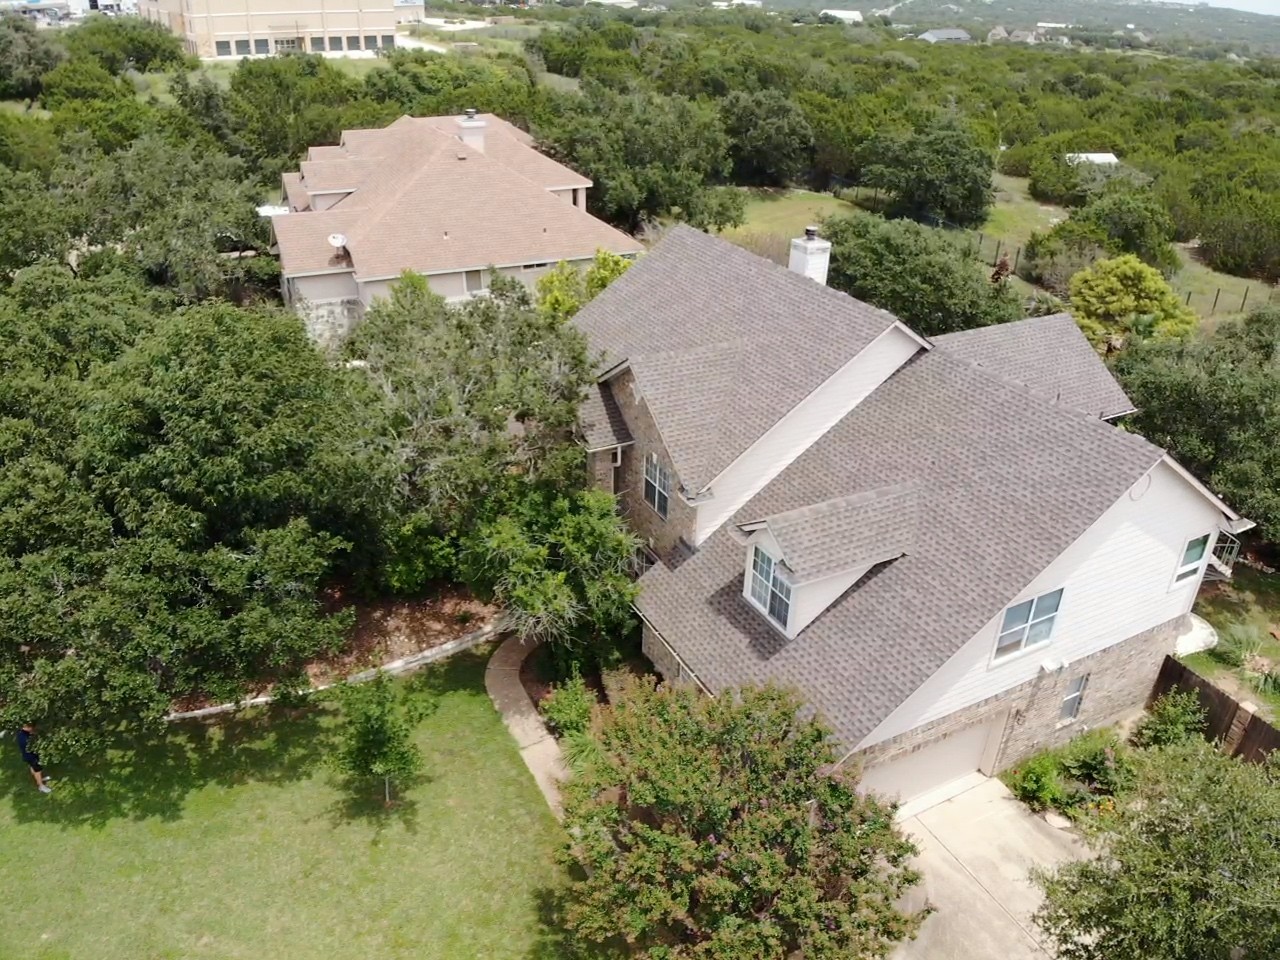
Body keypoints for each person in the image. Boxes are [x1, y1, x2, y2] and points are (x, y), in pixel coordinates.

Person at [16, 723, 51, 794]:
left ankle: (40, 779)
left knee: (33, 768)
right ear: (27, 727)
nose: (32, 729)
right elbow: (32, 747)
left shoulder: (22, 733)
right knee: (37, 770)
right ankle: (41, 786)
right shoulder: (25, 739)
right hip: (31, 756)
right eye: (31, 728)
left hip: (27, 755)